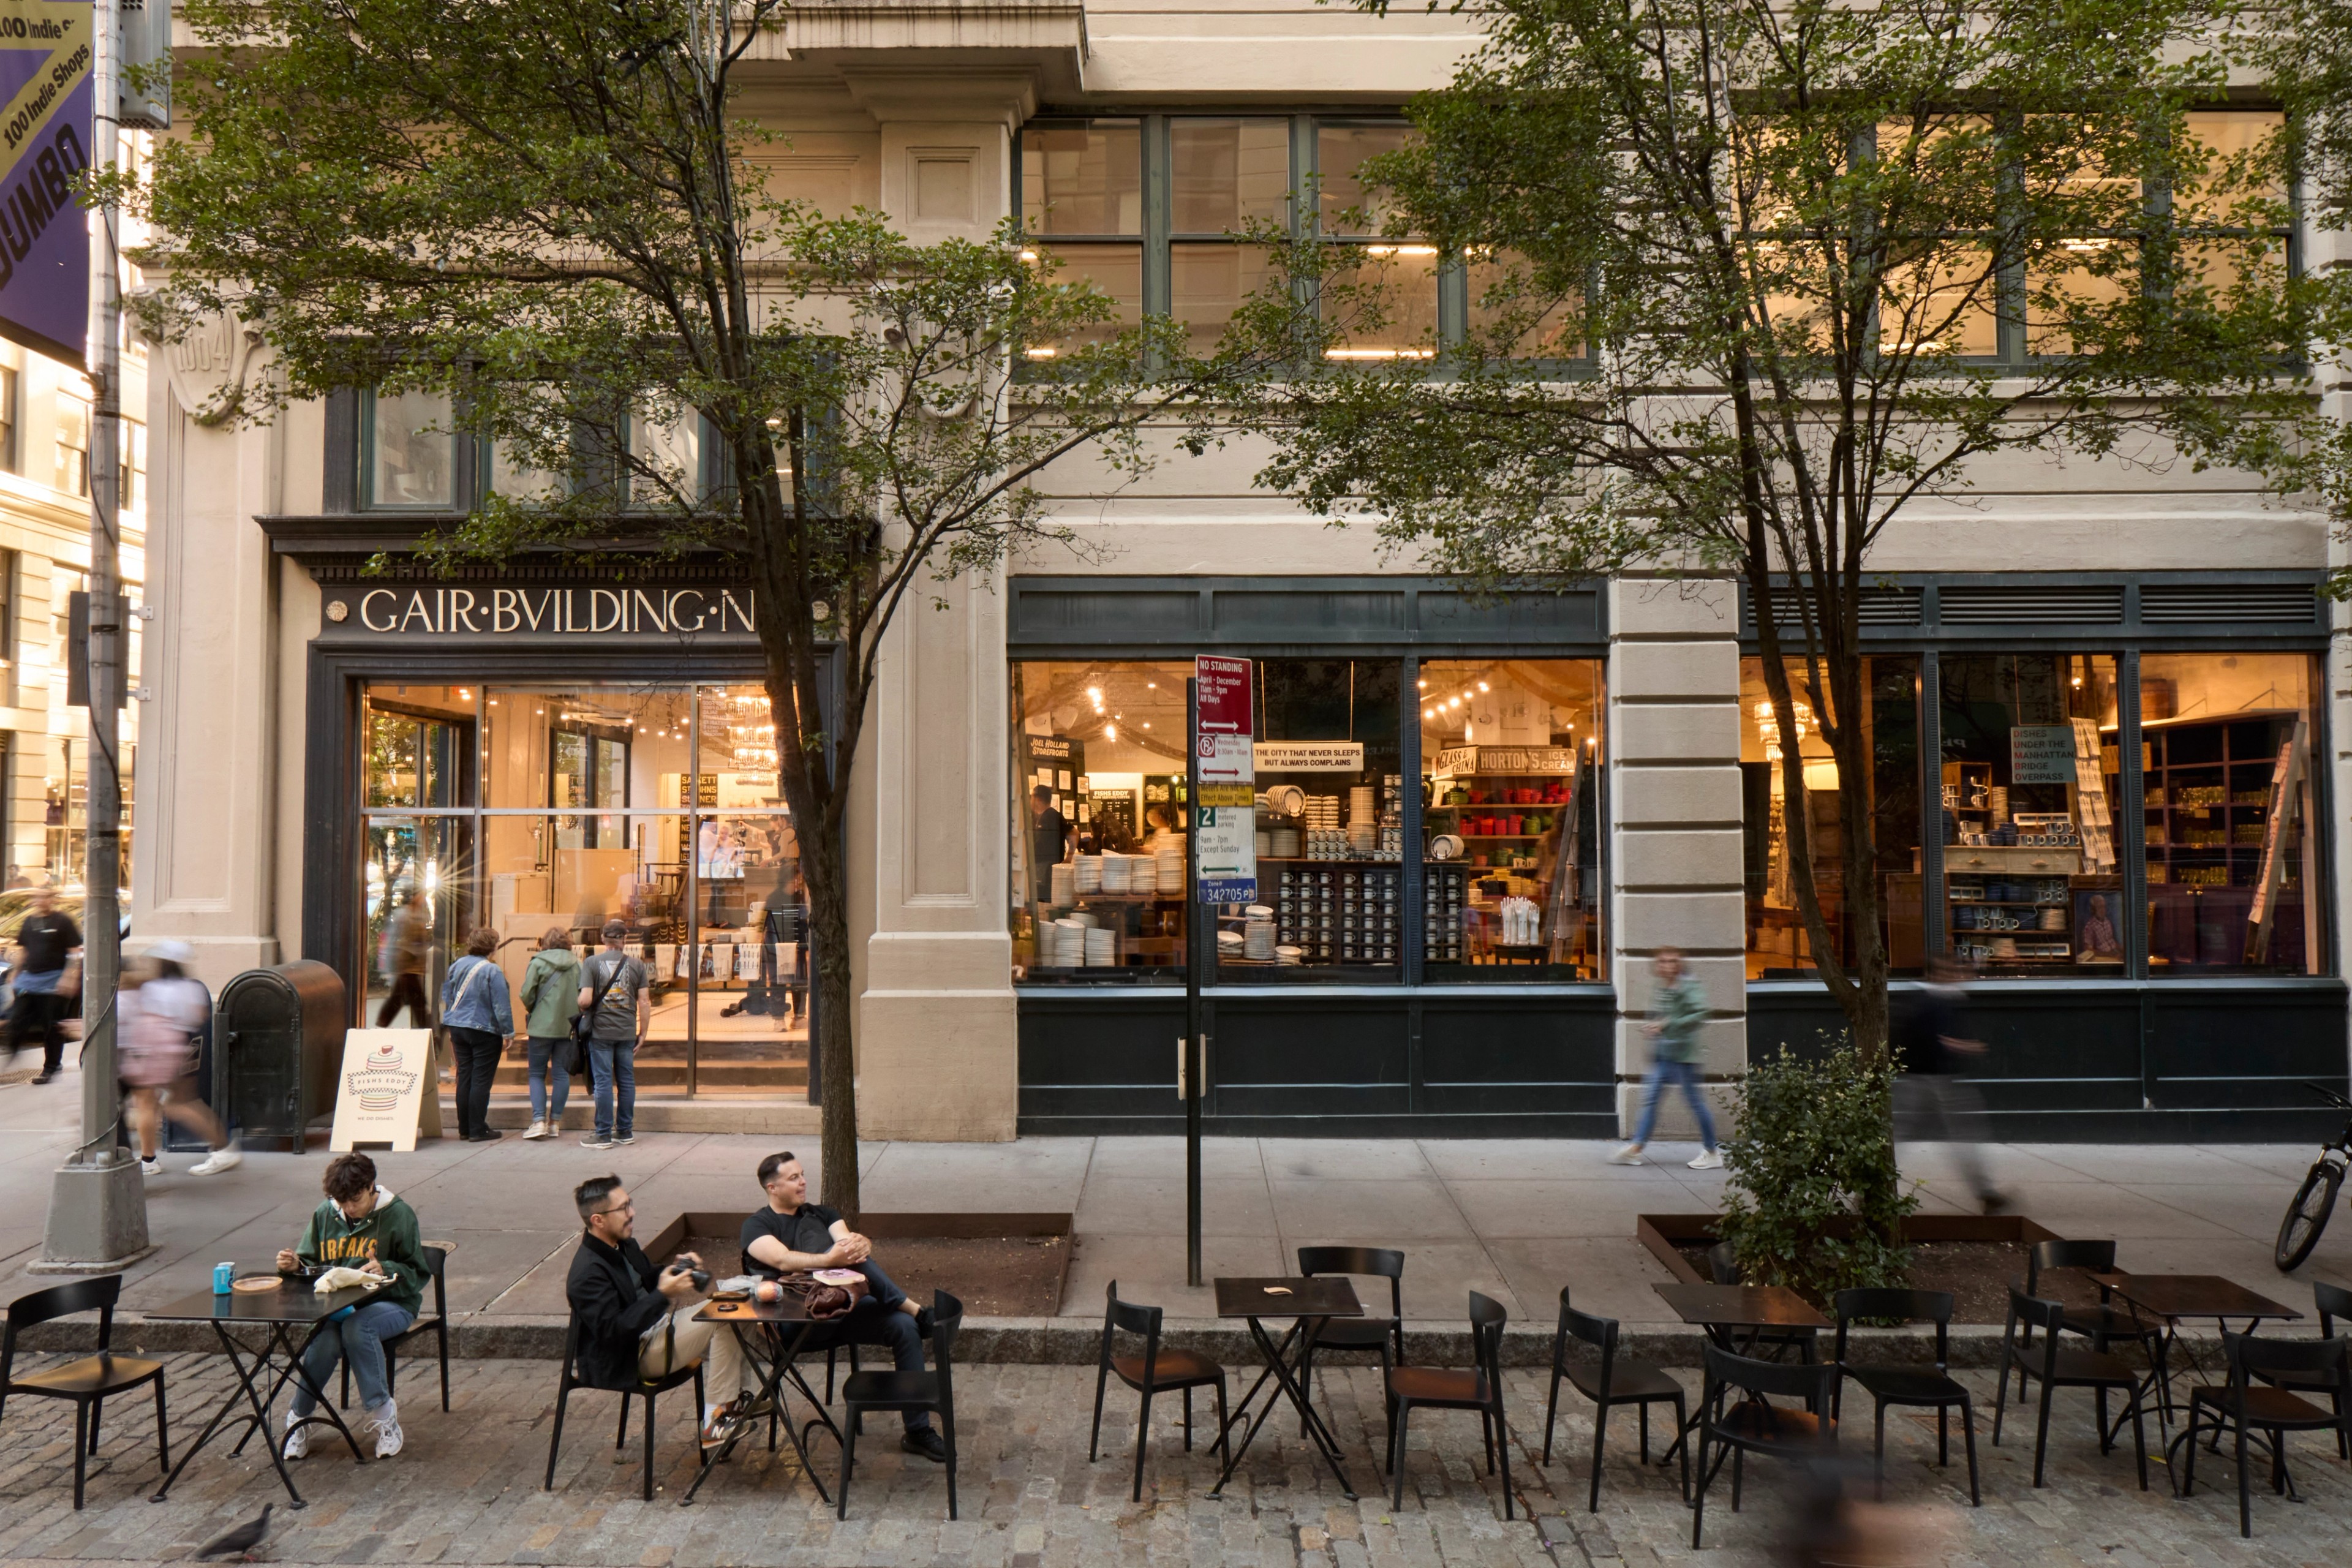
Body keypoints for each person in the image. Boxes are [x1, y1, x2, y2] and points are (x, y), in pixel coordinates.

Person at [739, 1152, 948, 1462]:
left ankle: (917, 1432)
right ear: (772, 1187)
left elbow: (849, 1248)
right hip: (796, 1323)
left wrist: (861, 1244)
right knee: (839, 1254)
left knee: (902, 1327)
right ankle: (917, 1311)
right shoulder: (757, 1226)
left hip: (840, 1309)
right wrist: (827, 1260)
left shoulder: (824, 1213)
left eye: (803, 1174)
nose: (803, 1182)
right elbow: (782, 1260)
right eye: (793, 1178)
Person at [566, 1174, 752, 1450]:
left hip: (659, 1330)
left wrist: (674, 1270)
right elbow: (615, 1332)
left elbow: (646, 1278)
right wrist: (664, 1294)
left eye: (630, 1203)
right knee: (723, 1316)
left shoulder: (623, 1244)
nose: (632, 1213)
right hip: (633, 1357)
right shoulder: (586, 1274)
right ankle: (716, 1422)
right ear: (598, 1220)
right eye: (623, 1209)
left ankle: (736, 1400)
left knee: (738, 1302)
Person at [274, 1153, 427, 1460]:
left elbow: (418, 1273)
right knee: (326, 1340)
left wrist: (387, 1268)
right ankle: (299, 1419)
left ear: (371, 1187)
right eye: (340, 1202)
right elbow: (310, 1264)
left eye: (355, 1200)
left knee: (360, 1328)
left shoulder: (399, 1214)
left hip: (393, 1304)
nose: (348, 1209)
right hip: (339, 1308)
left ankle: (385, 1419)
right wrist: (294, 1266)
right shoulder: (325, 1214)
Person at [1892, 954, 2009, 1214]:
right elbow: (1940, 1041)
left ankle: (1986, 1193)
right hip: (1933, 1080)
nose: (1956, 976)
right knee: (1964, 1135)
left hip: (1921, 1078)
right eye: (1949, 971)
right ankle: (1986, 1193)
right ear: (1935, 974)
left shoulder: (1925, 999)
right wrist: (1970, 1046)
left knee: (1901, 1136)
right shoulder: (1932, 1002)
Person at [119, 941, 240, 1176]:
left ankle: (151, 1159)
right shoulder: (191, 987)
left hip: (155, 1050)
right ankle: (220, 1148)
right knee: (179, 1101)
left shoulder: (155, 988)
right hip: (180, 1045)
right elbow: (199, 1016)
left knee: (158, 1103)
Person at [1611, 948, 1721, 1169]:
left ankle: (1712, 1152)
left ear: (1678, 965)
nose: (1666, 965)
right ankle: (1636, 1148)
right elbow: (1663, 1016)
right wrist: (1654, 1026)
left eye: (1671, 961)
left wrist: (1667, 1024)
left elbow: (1700, 1013)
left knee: (1696, 1104)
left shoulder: (1688, 985)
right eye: (1662, 961)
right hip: (1664, 1056)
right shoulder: (1662, 986)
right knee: (1651, 1101)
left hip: (1684, 1057)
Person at [577, 922, 649, 1152]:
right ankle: (625, 1131)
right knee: (627, 1081)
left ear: (603, 938)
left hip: (600, 1032)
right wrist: (643, 1033)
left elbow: (586, 1000)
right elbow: (645, 1002)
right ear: (625, 939)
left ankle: (603, 1134)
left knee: (603, 1082)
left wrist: (580, 1003)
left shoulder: (591, 963)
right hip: (626, 1032)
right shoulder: (637, 965)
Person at [442, 927, 513, 1142]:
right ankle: (478, 1129)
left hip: (458, 1027)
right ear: (493, 946)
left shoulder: (456, 966)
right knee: (481, 1080)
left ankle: (464, 1128)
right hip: (484, 1029)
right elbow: (501, 1004)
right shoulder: (492, 971)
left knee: (465, 1076)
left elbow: (448, 994)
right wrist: (508, 1031)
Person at [7, 885, 82, 1084]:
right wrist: (15, 972)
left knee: (52, 1026)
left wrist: (69, 977)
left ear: (52, 899)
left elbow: (74, 951)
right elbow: (23, 949)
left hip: (54, 980)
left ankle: (51, 1066)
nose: (41, 901)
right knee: (18, 1019)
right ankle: (13, 1051)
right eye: (37, 898)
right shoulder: (29, 922)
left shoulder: (63, 921)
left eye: (45, 897)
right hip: (30, 980)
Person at [519, 926, 582, 1140]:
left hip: (540, 1028)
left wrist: (534, 1009)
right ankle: (555, 1123)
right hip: (567, 1027)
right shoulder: (578, 965)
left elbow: (527, 993)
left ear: (545, 942)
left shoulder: (538, 962)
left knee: (537, 1074)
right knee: (561, 1075)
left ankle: (539, 1122)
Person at [375, 892, 432, 1029]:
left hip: (409, 966)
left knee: (404, 998)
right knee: (414, 999)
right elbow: (400, 940)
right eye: (420, 896)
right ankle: (426, 1029)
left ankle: (383, 1024)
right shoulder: (405, 916)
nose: (423, 899)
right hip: (406, 966)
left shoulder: (415, 915)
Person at [1027, 784, 1069, 902]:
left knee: (1045, 901)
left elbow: (1074, 833)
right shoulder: (1039, 817)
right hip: (1041, 869)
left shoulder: (1053, 815)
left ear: (1037, 798)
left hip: (1048, 870)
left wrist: (1069, 857)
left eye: (1031, 797)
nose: (1030, 800)